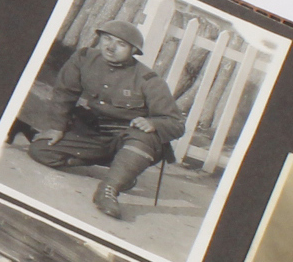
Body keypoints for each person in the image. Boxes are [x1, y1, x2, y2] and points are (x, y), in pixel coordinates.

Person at [27, 18, 186, 220]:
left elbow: (177, 124)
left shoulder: (149, 80)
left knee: (143, 135)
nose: (111, 47)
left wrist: (154, 123)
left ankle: (109, 189)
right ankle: (122, 171)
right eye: (107, 39)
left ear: (133, 51)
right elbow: (64, 94)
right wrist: (57, 127)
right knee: (41, 150)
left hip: (128, 138)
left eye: (121, 44)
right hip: (93, 132)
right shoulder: (84, 58)